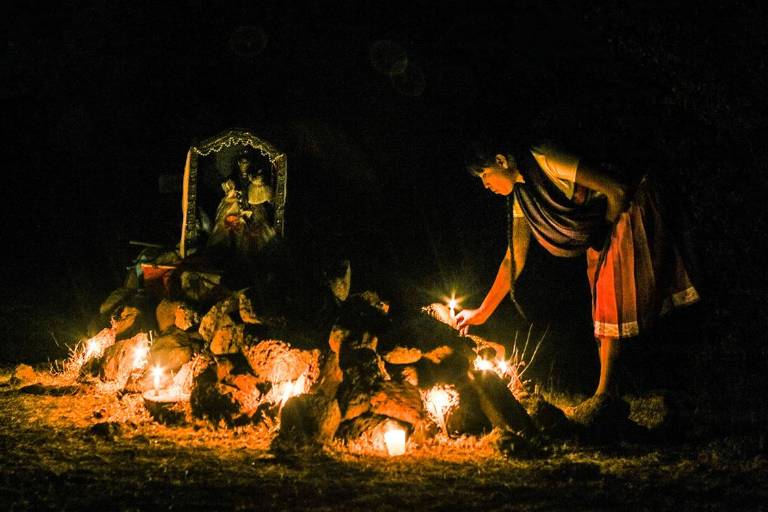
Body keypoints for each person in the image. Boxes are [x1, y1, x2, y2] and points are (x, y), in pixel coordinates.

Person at [454, 137, 700, 422]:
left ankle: (605, 396)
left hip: (630, 203)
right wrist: (481, 313)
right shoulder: (523, 196)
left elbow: (616, 189)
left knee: (611, 293)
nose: (485, 185)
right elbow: (513, 260)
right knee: (603, 301)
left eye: (485, 174)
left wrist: (602, 232)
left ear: (501, 161)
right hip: (604, 225)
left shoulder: (544, 157)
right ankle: (613, 394)